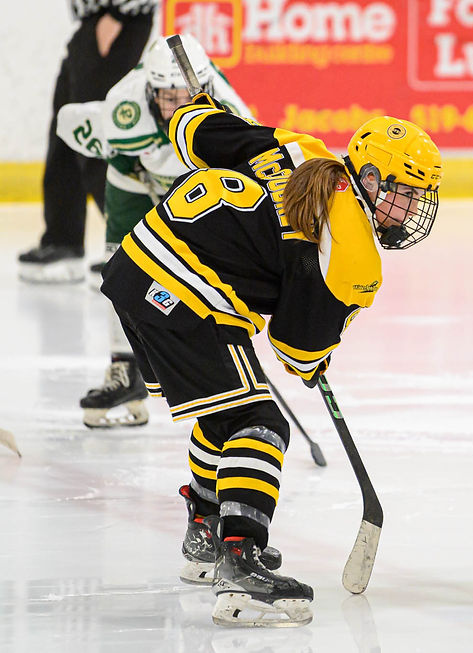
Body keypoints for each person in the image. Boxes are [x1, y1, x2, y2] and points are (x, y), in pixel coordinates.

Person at [100, 88, 442, 626]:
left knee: (224, 412)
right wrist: (319, 355)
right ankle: (241, 560)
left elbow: (191, 131)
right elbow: (296, 349)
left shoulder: (299, 148)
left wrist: (201, 105)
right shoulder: (353, 251)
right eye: (407, 194)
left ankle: (205, 534)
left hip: (134, 269)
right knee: (259, 424)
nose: (414, 210)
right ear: (373, 179)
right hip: (186, 294)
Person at [56, 34, 253, 428]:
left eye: (186, 96)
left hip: (198, 189)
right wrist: (133, 164)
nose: (178, 106)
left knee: (211, 273)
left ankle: (223, 354)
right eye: (167, 97)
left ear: (205, 88)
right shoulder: (124, 108)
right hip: (135, 183)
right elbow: (74, 127)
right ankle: (125, 368)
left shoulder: (232, 116)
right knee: (118, 268)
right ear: (149, 92)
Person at [18, 0, 155, 283]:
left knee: (98, 139)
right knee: (66, 134)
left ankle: (133, 249)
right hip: (91, 24)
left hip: (118, 20)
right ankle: (63, 239)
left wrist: (117, 16)